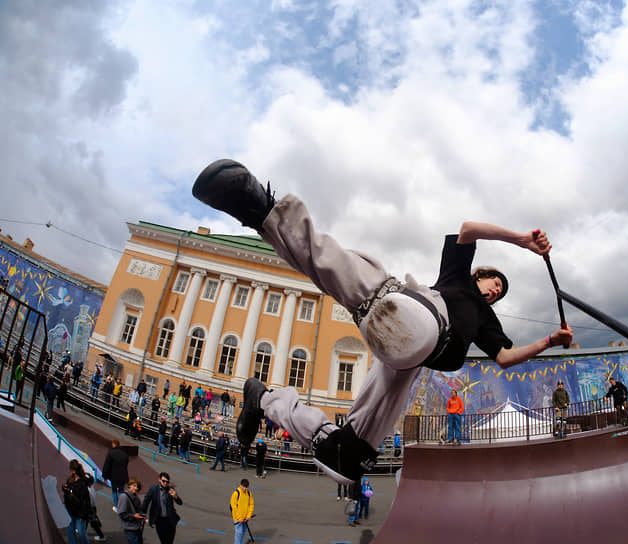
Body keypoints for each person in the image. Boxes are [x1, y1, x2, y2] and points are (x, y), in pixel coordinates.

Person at [193, 158, 573, 484]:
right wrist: (521, 239)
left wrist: (549, 342)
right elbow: (468, 228)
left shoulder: (487, 321)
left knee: (346, 459)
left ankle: (268, 400)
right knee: (346, 273)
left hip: (407, 363)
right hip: (417, 312)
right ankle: (257, 205)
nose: (495, 291)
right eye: (495, 283)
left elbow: (505, 357)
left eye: (500, 293)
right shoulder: (458, 276)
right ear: (481, 275)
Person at [142, 472, 183, 544]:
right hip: (159, 520)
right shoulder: (153, 489)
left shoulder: (171, 489)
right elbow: (146, 502)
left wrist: (175, 496)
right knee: (164, 540)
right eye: (163, 481)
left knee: (170, 541)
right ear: (159, 480)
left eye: (167, 482)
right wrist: (143, 513)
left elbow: (180, 502)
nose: (165, 483)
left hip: (170, 519)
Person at [63, 459, 93, 544]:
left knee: (80, 532)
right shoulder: (71, 480)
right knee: (73, 530)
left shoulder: (81, 483)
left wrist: (82, 514)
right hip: (71, 509)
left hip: (78, 511)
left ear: (72, 471)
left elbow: (85, 500)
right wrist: (65, 489)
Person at [102, 439, 129, 510]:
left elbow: (107, 465)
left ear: (113, 444)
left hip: (113, 476)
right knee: (121, 490)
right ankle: (122, 505)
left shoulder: (111, 453)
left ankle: (116, 506)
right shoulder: (124, 454)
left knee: (114, 490)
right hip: (123, 476)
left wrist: (105, 476)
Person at [117, 478, 146, 544]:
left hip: (137, 527)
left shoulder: (136, 497)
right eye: (134, 486)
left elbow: (139, 509)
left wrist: (142, 515)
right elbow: (122, 514)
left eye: (137, 487)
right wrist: (133, 516)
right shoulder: (124, 497)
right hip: (130, 529)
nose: (136, 488)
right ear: (129, 485)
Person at [230, 479, 255, 544]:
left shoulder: (249, 493)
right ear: (240, 485)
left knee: (243, 531)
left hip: (245, 518)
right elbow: (234, 507)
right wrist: (239, 518)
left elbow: (251, 504)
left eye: (246, 487)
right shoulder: (236, 493)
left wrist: (248, 516)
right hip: (238, 519)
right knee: (239, 533)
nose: (245, 489)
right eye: (244, 487)